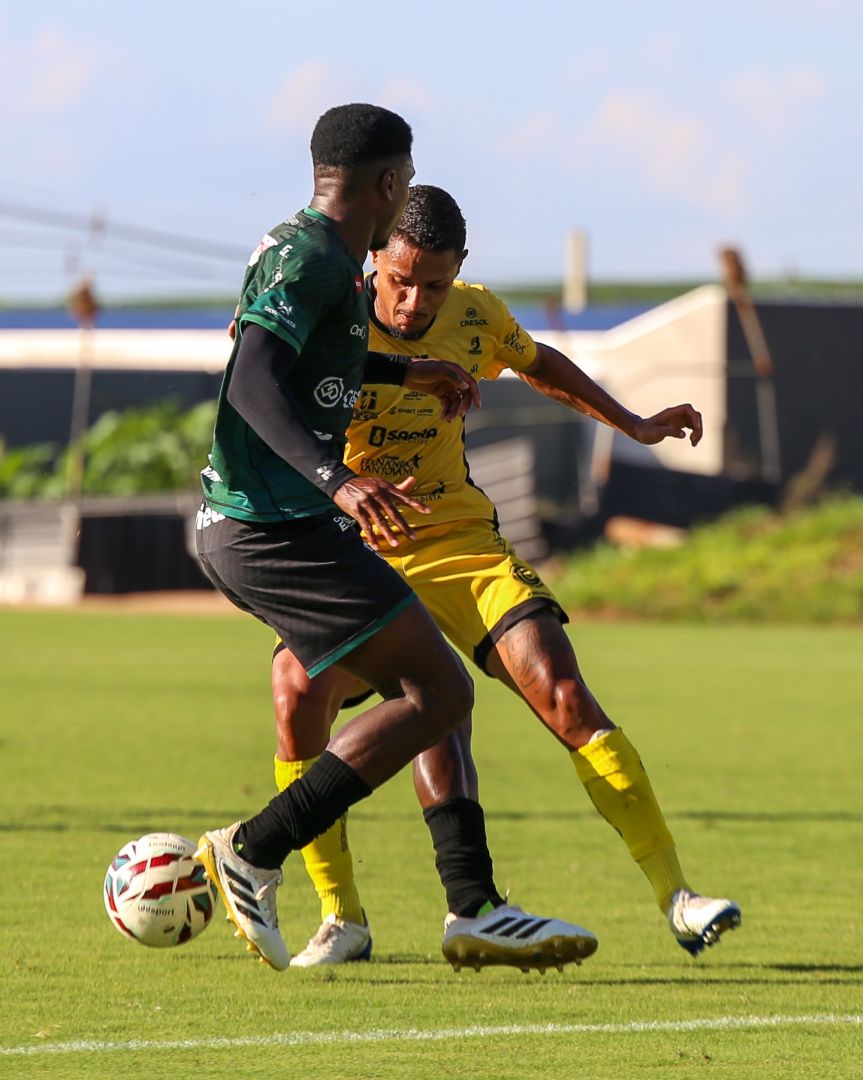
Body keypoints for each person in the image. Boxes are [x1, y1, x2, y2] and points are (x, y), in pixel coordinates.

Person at [271, 184, 742, 967]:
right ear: (374, 257)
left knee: (561, 690)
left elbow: (534, 360)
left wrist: (630, 423)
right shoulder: (322, 311)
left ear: (460, 271)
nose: (417, 298)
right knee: (297, 693)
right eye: (402, 279)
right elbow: (260, 388)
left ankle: (677, 898)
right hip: (355, 549)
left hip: (458, 543)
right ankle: (340, 916)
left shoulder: (474, 314)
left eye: (436, 282)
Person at [193, 105, 598, 974]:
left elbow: (308, 359)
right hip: (272, 530)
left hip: (270, 528)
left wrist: (401, 367)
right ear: (387, 184)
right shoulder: (313, 261)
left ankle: (455, 904)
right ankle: (256, 852)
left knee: (427, 691)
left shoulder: (308, 249)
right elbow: (252, 381)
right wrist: (338, 479)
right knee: (439, 695)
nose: (408, 192)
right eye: (406, 181)